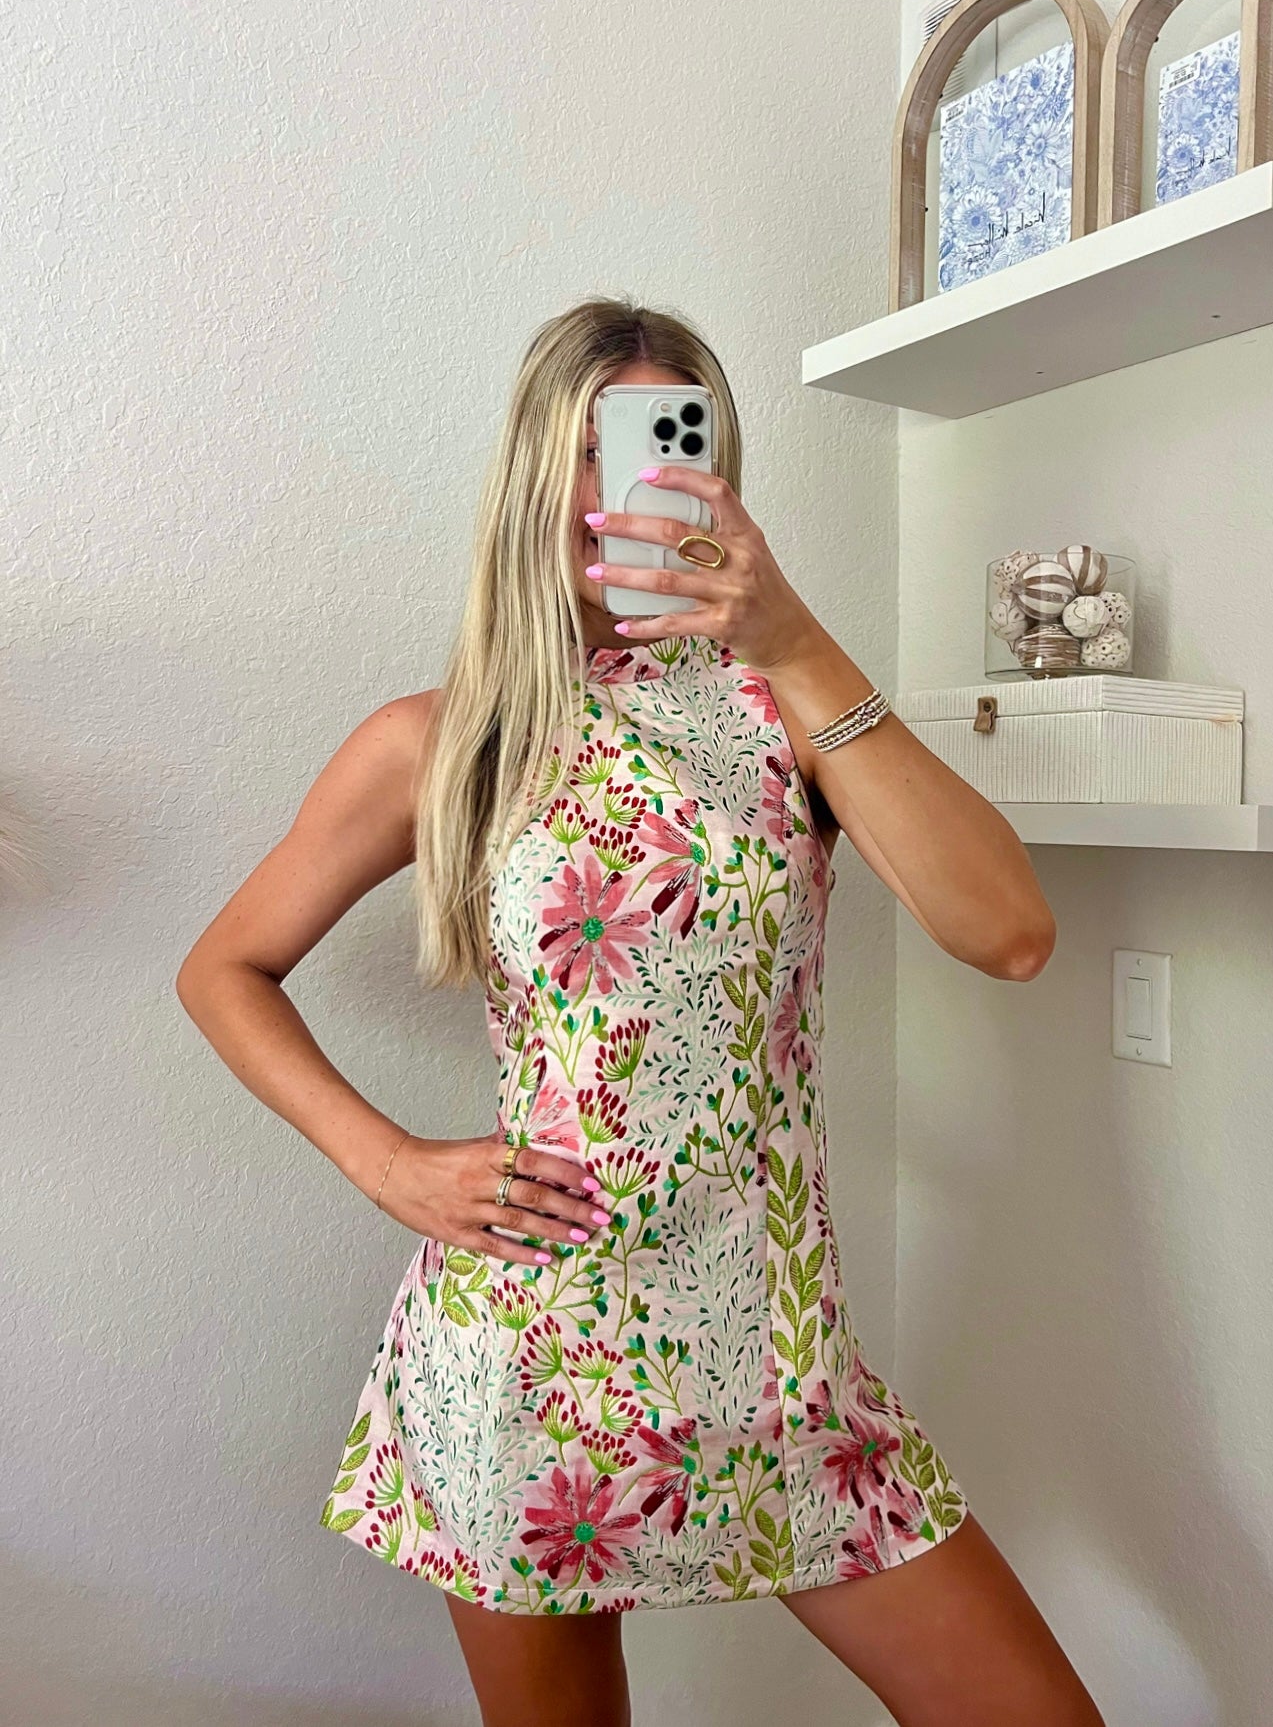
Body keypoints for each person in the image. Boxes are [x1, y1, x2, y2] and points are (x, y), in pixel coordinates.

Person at [176, 297, 1103, 1727]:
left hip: (779, 1357)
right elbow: (223, 967)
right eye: (601, 452)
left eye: (674, 447)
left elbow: (1009, 931)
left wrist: (796, 639)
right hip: (534, 1346)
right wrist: (391, 1163)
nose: (636, 492)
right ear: (541, 479)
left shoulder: (782, 707)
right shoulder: (443, 740)